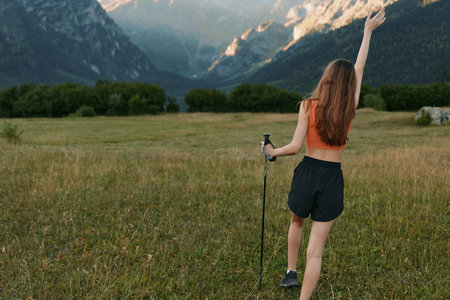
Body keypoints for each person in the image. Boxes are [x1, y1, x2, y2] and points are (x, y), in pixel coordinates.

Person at [261, 8, 386, 300]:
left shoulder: (307, 105)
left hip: (307, 172)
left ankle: (291, 273)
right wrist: (367, 33)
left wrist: (271, 152)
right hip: (332, 178)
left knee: (296, 221)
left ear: (326, 79)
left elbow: (293, 147)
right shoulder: (349, 109)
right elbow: (359, 69)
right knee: (315, 252)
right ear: (348, 87)